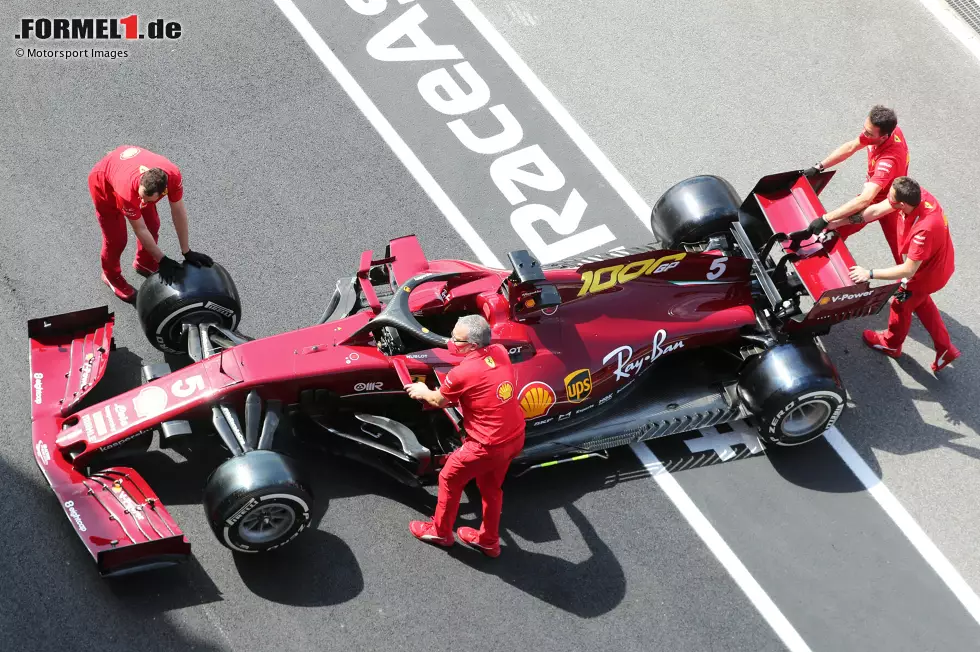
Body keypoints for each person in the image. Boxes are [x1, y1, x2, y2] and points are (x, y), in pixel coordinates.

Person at [404, 314, 526, 557]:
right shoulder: (500, 351)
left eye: (456, 340)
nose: (451, 342)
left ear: (472, 345)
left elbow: (437, 400)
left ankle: (440, 532)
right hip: (515, 437)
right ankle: (489, 541)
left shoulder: (463, 372)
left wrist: (422, 389)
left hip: (485, 445)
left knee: (449, 479)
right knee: (491, 489)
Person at [835, 176, 959, 373]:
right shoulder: (917, 196)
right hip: (937, 266)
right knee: (921, 302)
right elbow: (876, 210)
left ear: (902, 204)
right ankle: (945, 348)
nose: (888, 202)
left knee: (901, 303)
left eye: (892, 200)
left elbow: (909, 270)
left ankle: (891, 344)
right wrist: (834, 223)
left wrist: (869, 273)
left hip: (926, 275)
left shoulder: (924, 229)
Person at [88, 145, 213, 302]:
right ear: (142, 179)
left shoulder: (173, 176)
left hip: (125, 173)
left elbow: (178, 212)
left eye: (147, 200)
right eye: (141, 197)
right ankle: (110, 275)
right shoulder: (127, 191)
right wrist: (162, 259)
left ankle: (144, 262)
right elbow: (140, 228)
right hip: (104, 185)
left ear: (163, 192)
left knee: (153, 225)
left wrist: (186, 251)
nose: (141, 202)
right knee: (117, 240)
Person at [802, 105, 909, 265]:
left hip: (887, 203)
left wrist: (825, 218)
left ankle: (909, 287)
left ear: (883, 137)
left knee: (903, 253)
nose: (864, 134)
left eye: (869, 133)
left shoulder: (888, 161)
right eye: (865, 129)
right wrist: (819, 167)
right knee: (835, 231)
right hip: (878, 192)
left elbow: (866, 199)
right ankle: (815, 264)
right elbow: (852, 146)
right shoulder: (882, 130)